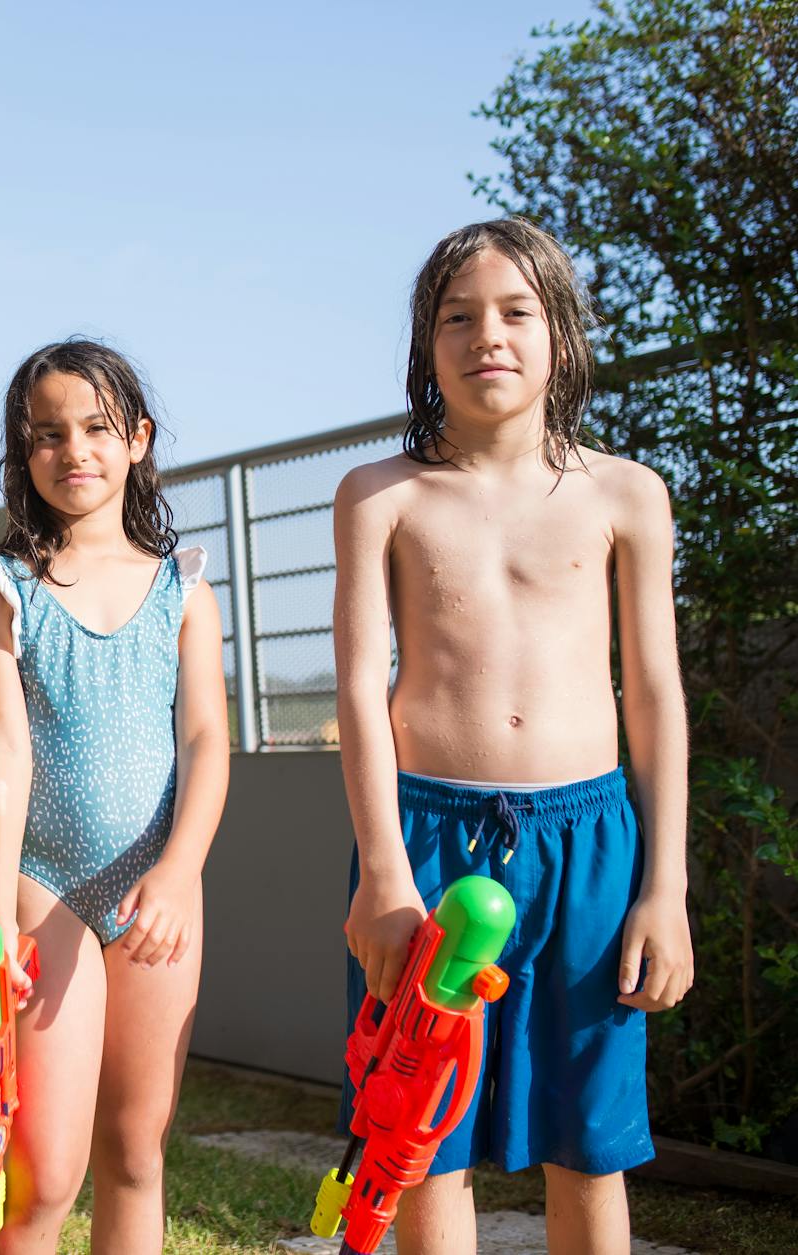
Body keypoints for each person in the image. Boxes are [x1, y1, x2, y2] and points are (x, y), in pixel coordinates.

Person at [335, 218, 695, 1254]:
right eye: (455, 316)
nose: (483, 334)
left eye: (512, 311)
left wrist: (661, 888)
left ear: (558, 336)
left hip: (588, 842)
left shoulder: (625, 493)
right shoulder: (377, 495)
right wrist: (381, 874)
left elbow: (654, 695)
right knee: (419, 1131)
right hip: (427, 838)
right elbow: (360, 688)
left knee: (588, 1142)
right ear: (423, 345)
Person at [0, 339, 228, 1252]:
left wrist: (181, 871)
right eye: (47, 433)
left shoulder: (184, 587)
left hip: (158, 895)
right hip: (47, 888)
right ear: (22, 453)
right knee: (44, 1173)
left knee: (136, 1152)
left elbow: (205, 741)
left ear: (138, 439)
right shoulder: (0, 582)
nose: (74, 449)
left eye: (97, 428)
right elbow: (1, 745)